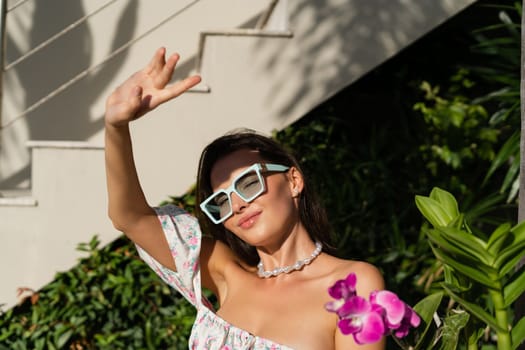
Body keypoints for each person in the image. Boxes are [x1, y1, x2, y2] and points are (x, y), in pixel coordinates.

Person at [105, 47, 385, 350]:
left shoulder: (354, 283)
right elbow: (130, 218)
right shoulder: (226, 274)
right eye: (221, 201)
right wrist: (116, 127)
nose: (237, 205)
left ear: (293, 180)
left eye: (248, 183)